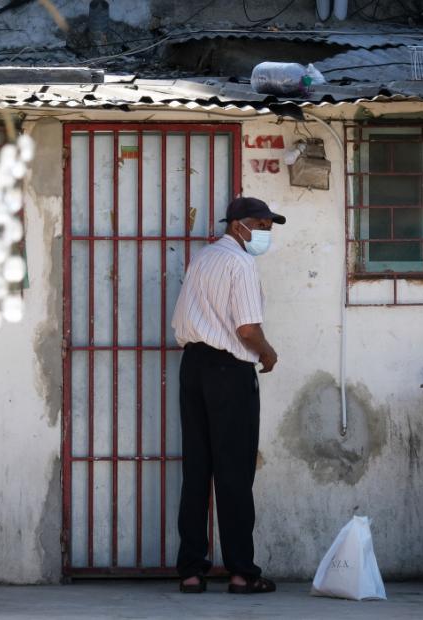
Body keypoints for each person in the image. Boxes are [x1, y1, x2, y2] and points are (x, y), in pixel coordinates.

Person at [170, 196, 284, 594]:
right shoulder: (241, 263)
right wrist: (268, 354)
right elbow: (247, 329)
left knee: (196, 469)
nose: (266, 233)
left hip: (193, 367)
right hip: (229, 371)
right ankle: (240, 572)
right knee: (234, 472)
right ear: (239, 226)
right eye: (262, 225)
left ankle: (190, 571)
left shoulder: (202, 259)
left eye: (269, 227)